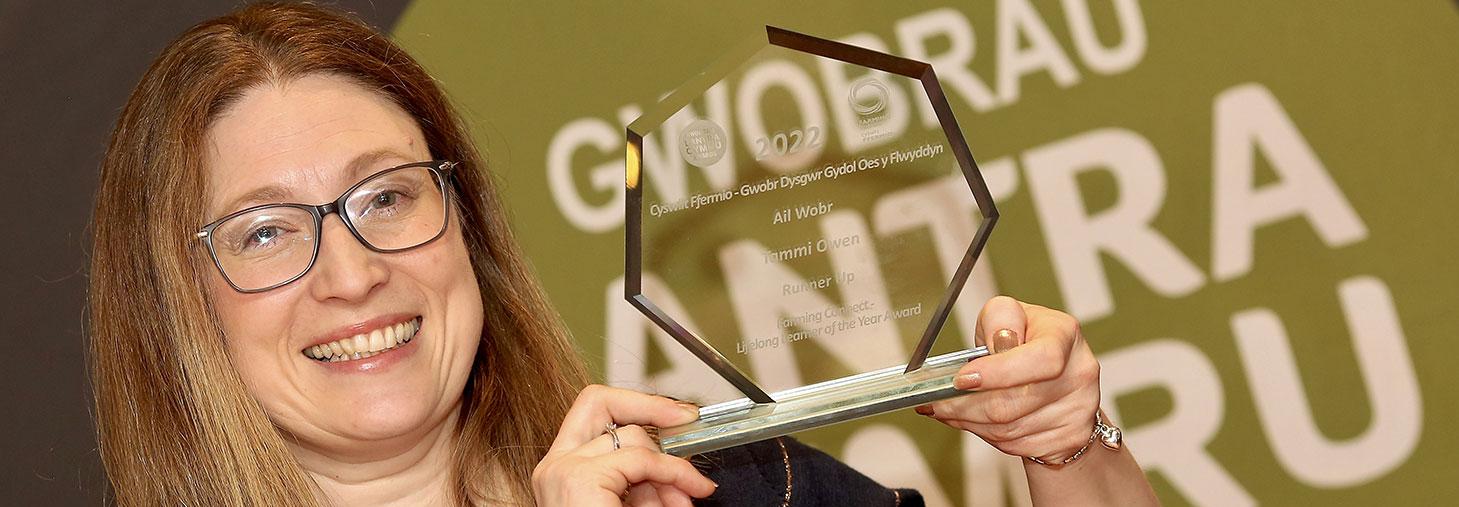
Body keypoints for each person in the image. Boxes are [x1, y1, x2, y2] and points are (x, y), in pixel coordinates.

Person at [87, 2, 1159, 505]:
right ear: (178, 300)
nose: (353, 272)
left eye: (388, 195)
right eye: (266, 231)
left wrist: (1069, 445)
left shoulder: (732, 485)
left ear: (465, 224)